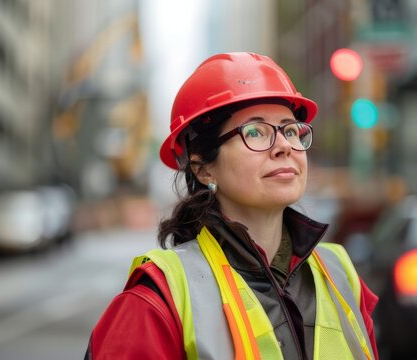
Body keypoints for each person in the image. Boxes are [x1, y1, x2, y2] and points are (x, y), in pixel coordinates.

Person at [85, 52, 379, 360]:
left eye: (290, 130)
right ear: (203, 169)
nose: (283, 147)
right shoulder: (159, 298)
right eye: (254, 132)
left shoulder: (340, 274)